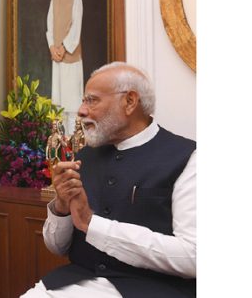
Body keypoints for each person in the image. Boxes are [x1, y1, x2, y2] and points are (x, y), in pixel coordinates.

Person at [22, 62, 196, 297]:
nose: (82, 110)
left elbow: (193, 257)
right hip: (71, 284)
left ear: (130, 101)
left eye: (91, 100)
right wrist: (61, 208)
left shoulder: (188, 158)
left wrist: (91, 223)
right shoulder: (83, 157)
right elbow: (57, 247)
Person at [46, 0, 84, 133]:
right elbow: (50, 22)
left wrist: (63, 48)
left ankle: (73, 147)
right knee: (60, 106)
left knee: (72, 106)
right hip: (58, 57)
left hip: (70, 58)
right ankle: (61, 148)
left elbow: (76, 27)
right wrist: (52, 47)